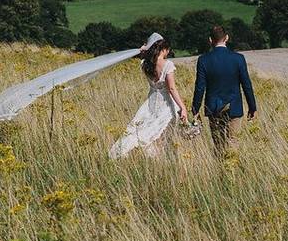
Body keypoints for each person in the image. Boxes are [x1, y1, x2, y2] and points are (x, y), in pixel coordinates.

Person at [109, 33, 189, 158]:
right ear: (163, 49)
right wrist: (182, 107)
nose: (168, 53)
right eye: (167, 50)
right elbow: (172, 88)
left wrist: (143, 49)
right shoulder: (167, 65)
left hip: (151, 102)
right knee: (162, 135)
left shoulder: (145, 64)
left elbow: (143, 56)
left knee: (146, 129)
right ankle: (160, 158)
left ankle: (148, 156)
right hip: (166, 104)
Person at [191, 25, 257, 158]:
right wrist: (252, 107)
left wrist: (195, 109)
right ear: (227, 38)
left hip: (213, 107)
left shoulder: (203, 60)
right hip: (234, 106)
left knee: (218, 143)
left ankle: (220, 172)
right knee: (233, 140)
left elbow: (200, 87)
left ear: (210, 40)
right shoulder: (238, 58)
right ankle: (232, 173)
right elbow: (246, 85)